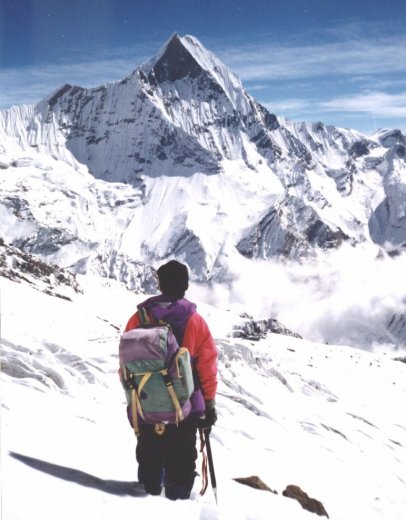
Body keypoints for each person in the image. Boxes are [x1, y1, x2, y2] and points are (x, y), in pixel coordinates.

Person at [123, 260, 218, 500]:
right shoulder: (195, 321)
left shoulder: (139, 317)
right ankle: (177, 502)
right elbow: (206, 367)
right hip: (184, 407)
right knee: (182, 460)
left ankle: (146, 496)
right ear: (185, 286)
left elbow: (126, 364)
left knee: (149, 456)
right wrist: (209, 405)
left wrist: (134, 400)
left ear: (160, 284)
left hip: (146, 404)